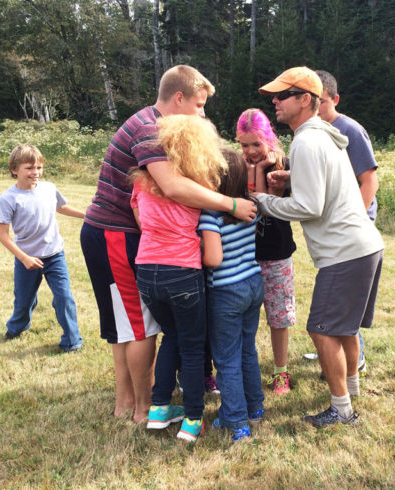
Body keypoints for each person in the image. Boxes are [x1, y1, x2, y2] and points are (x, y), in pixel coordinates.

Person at [81, 65, 257, 425]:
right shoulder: (150, 129)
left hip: (116, 235)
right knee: (139, 326)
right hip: (116, 235)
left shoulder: (149, 123)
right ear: (179, 99)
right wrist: (231, 203)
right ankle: (141, 409)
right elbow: (173, 187)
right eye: (199, 105)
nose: (202, 115)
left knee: (126, 325)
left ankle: (127, 401)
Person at [255, 66, 384, 426]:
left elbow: (309, 207)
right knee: (343, 328)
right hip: (366, 246)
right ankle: (353, 389)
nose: (275, 102)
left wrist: (262, 201)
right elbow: (328, 182)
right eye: (274, 97)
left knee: (321, 328)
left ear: (305, 100)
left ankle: (341, 409)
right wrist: (294, 177)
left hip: (345, 252)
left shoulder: (306, 140)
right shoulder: (323, 136)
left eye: (282, 96)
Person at [132, 114, 240, 442]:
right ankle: (193, 417)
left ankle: (160, 409)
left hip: (147, 269)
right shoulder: (200, 184)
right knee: (193, 348)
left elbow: (139, 218)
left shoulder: (142, 180)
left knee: (171, 337)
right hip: (182, 270)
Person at [303, 69, 381, 373]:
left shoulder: (350, 130)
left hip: (352, 229)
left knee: (346, 298)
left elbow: (369, 181)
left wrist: (356, 221)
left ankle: (353, 360)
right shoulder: (313, 133)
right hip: (333, 231)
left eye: (321, 102)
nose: (317, 109)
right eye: (312, 102)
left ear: (335, 99)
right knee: (336, 298)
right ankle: (332, 349)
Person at [200, 148, 265, 441]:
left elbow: (212, 259)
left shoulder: (210, 215)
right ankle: (255, 409)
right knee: (247, 349)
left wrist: (196, 250)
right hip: (253, 284)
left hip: (226, 292)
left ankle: (235, 421)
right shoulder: (249, 206)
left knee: (226, 359)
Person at [0, 143, 84, 353]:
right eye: (29, 168)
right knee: (24, 300)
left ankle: (72, 341)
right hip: (27, 259)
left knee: (64, 297)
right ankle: (18, 326)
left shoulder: (49, 188)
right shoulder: (9, 198)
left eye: (38, 167)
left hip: (55, 255)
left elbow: (61, 207)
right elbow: (3, 236)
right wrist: (24, 258)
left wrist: (86, 215)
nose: (35, 173)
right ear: (14, 169)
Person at [236, 108, 297, 395]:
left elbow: (268, 208)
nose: (249, 151)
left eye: (255, 144)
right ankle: (240, 368)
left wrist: (264, 172)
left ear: (268, 139)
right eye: (243, 144)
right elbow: (252, 211)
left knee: (278, 315)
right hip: (242, 253)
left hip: (276, 251)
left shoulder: (284, 164)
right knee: (240, 316)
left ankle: (280, 372)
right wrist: (256, 169)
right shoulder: (235, 166)